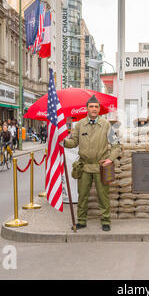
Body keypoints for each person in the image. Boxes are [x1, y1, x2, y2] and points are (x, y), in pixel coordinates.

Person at [63, 95, 122, 232]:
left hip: (101, 166)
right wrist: (64, 142)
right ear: (87, 108)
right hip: (84, 166)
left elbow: (116, 145)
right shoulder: (79, 125)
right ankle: (82, 221)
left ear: (99, 109)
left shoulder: (106, 125)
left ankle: (106, 221)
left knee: (103, 195)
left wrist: (110, 159)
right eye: (91, 106)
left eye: (96, 107)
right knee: (82, 195)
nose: (94, 109)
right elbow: (73, 142)